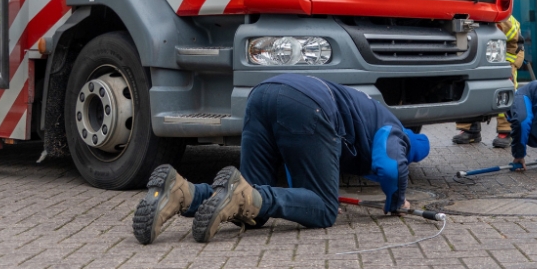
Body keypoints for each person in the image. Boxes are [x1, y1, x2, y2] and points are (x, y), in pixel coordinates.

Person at [132, 74, 431, 245]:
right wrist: (396, 202)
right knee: (325, 211)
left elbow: (296, 161)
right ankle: (225, 195)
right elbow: (391, 166)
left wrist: (307, 199)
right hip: (307, 106)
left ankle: (181, 192)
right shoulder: (395, 131)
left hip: (262, 95)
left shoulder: (366, 113)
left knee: (252, 205)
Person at [453, 15, 524, 147]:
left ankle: (506, 130)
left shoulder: (503, 19)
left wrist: (508, 65)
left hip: (509, 53)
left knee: (505, 88)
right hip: (480, 53)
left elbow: (514, 44)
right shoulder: (464, 16)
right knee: (467, 86)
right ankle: (470, 129)